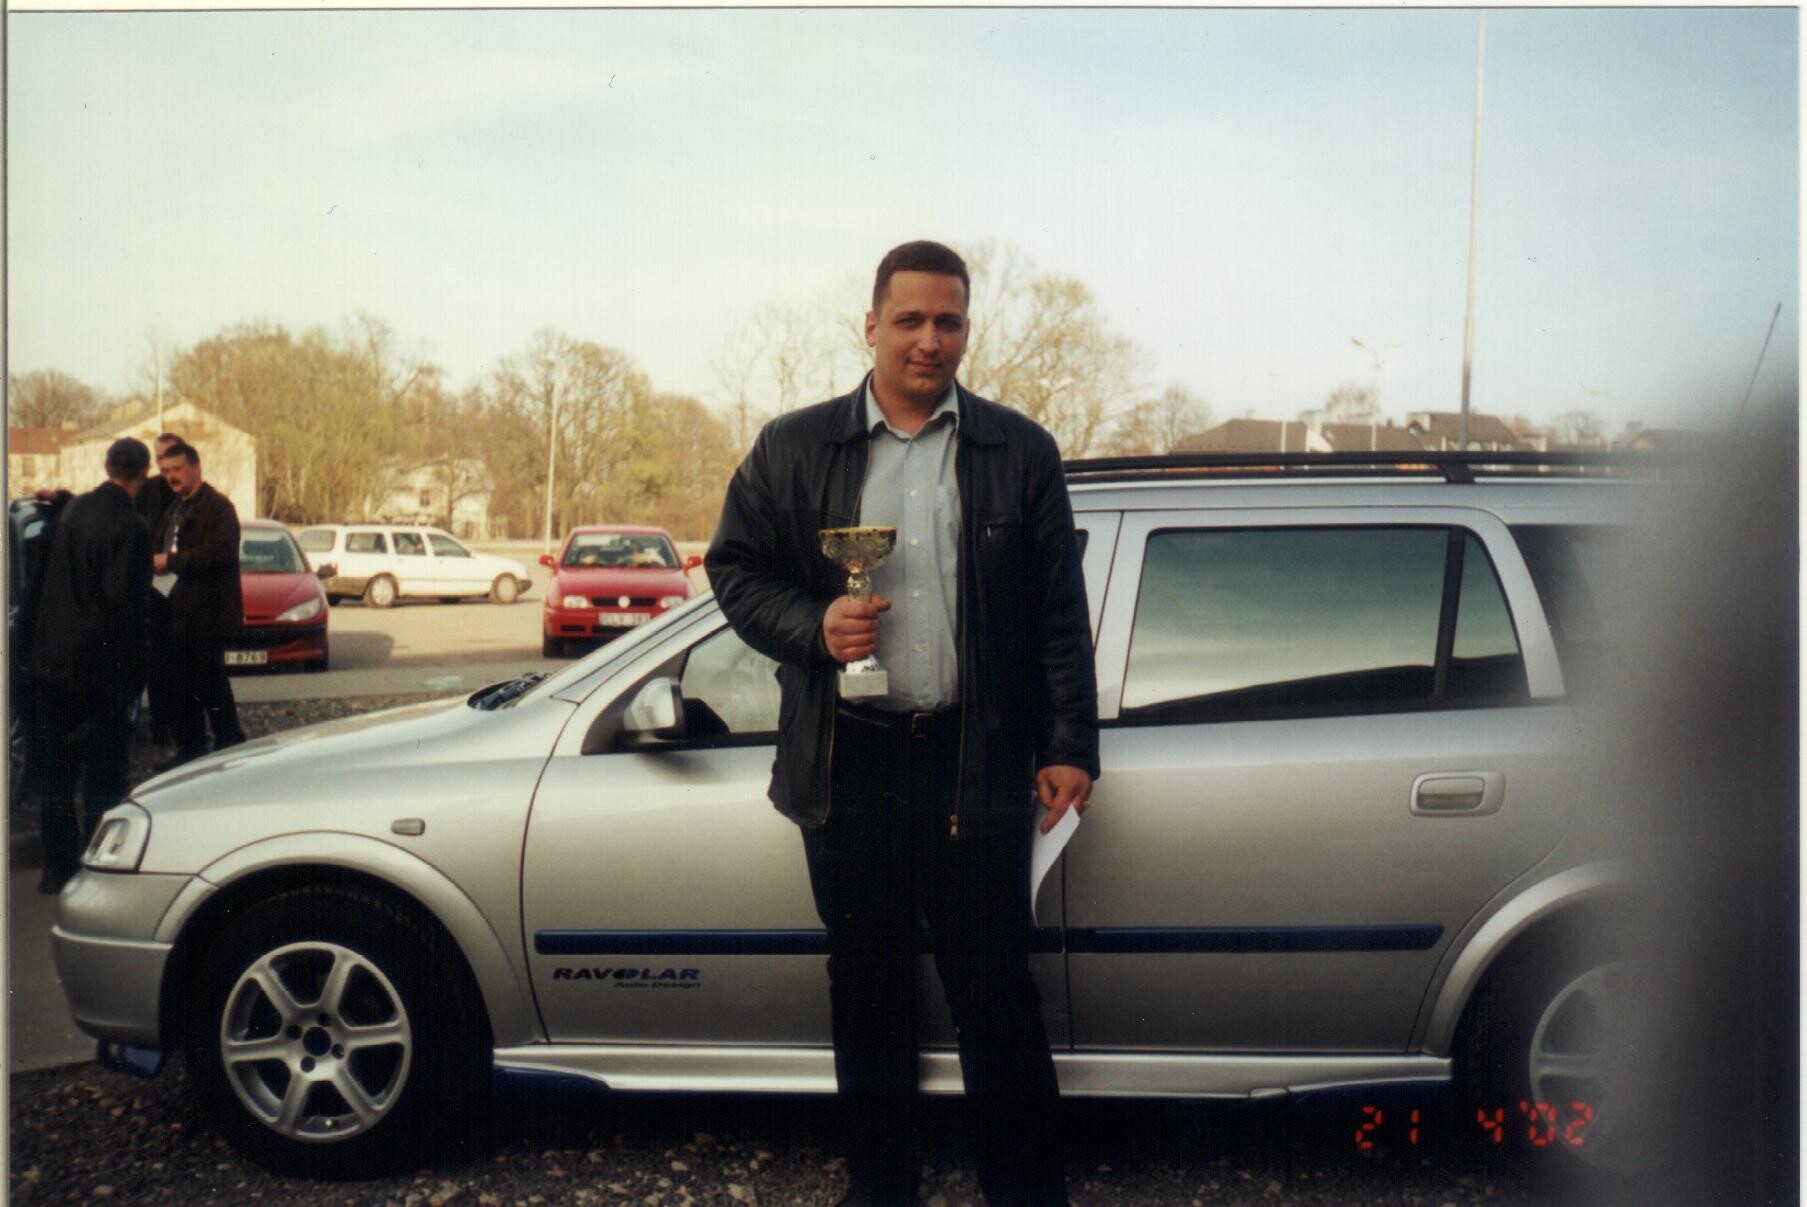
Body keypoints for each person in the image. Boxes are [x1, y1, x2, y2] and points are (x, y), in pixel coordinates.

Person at [706, 240, 1099, 1206]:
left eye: (948, 321)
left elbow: (1058, 612)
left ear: (966, 330)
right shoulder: (794, 446)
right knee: (867, 990)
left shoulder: (1019, 450)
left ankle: (1025, 1192)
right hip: (851, 765)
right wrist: (813, 626)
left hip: (975, 761)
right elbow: (734, 569)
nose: (930, 340)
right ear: (871, 325)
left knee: (994, 992)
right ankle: (881, 1187)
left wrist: (1067, 745)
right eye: (910, 319)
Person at [29, 438, 155, 893]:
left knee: (56, 775)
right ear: (143, 474)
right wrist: (136, 670)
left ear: (106, 466)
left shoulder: (72, 512)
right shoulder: (132, 526)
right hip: (100, 670)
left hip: (52, 664)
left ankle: (55, 870)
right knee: (104, 776)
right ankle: (98, 872)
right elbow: (126, 604)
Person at [151, 439, 245, 769]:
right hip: (177, 614)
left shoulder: (219, 507)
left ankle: (230, 746)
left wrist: (172, 562)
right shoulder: (175, 508)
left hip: (208, 614)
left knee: (211, 682)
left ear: (195, 468)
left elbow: (221, 552)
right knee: (181, 685)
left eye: (177, 469)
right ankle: (191, 750)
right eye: (165, 471)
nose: (171, 476)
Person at [136, 432, 182, 744]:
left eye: (169, 457)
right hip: (154, 589)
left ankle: (183, 727)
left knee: (181, 666)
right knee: (156, 664)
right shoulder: (148, 490)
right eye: (160, 458)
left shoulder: (192, 496)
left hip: (181, 591)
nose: (164, 465)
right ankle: (162, 725)